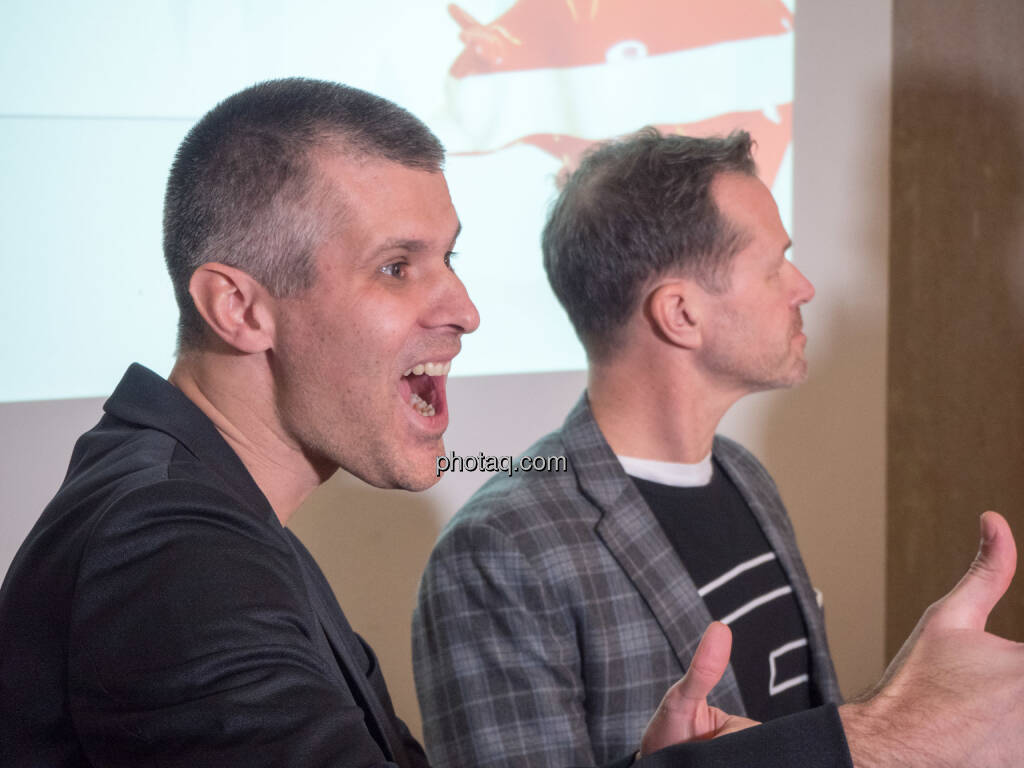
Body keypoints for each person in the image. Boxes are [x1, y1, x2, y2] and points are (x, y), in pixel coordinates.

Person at [1, 78, 1022, 768]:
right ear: (239, 308)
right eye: (396, 267)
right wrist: (892, 738)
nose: (463, 309)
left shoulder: (202, 517)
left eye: (448, 259)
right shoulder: (168, 552)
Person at [411, 130, 1024, 767]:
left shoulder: (744, 475)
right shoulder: (497, 554)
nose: (804, 287)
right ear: (680, 314)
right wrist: (904, 724)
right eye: (775, 266)